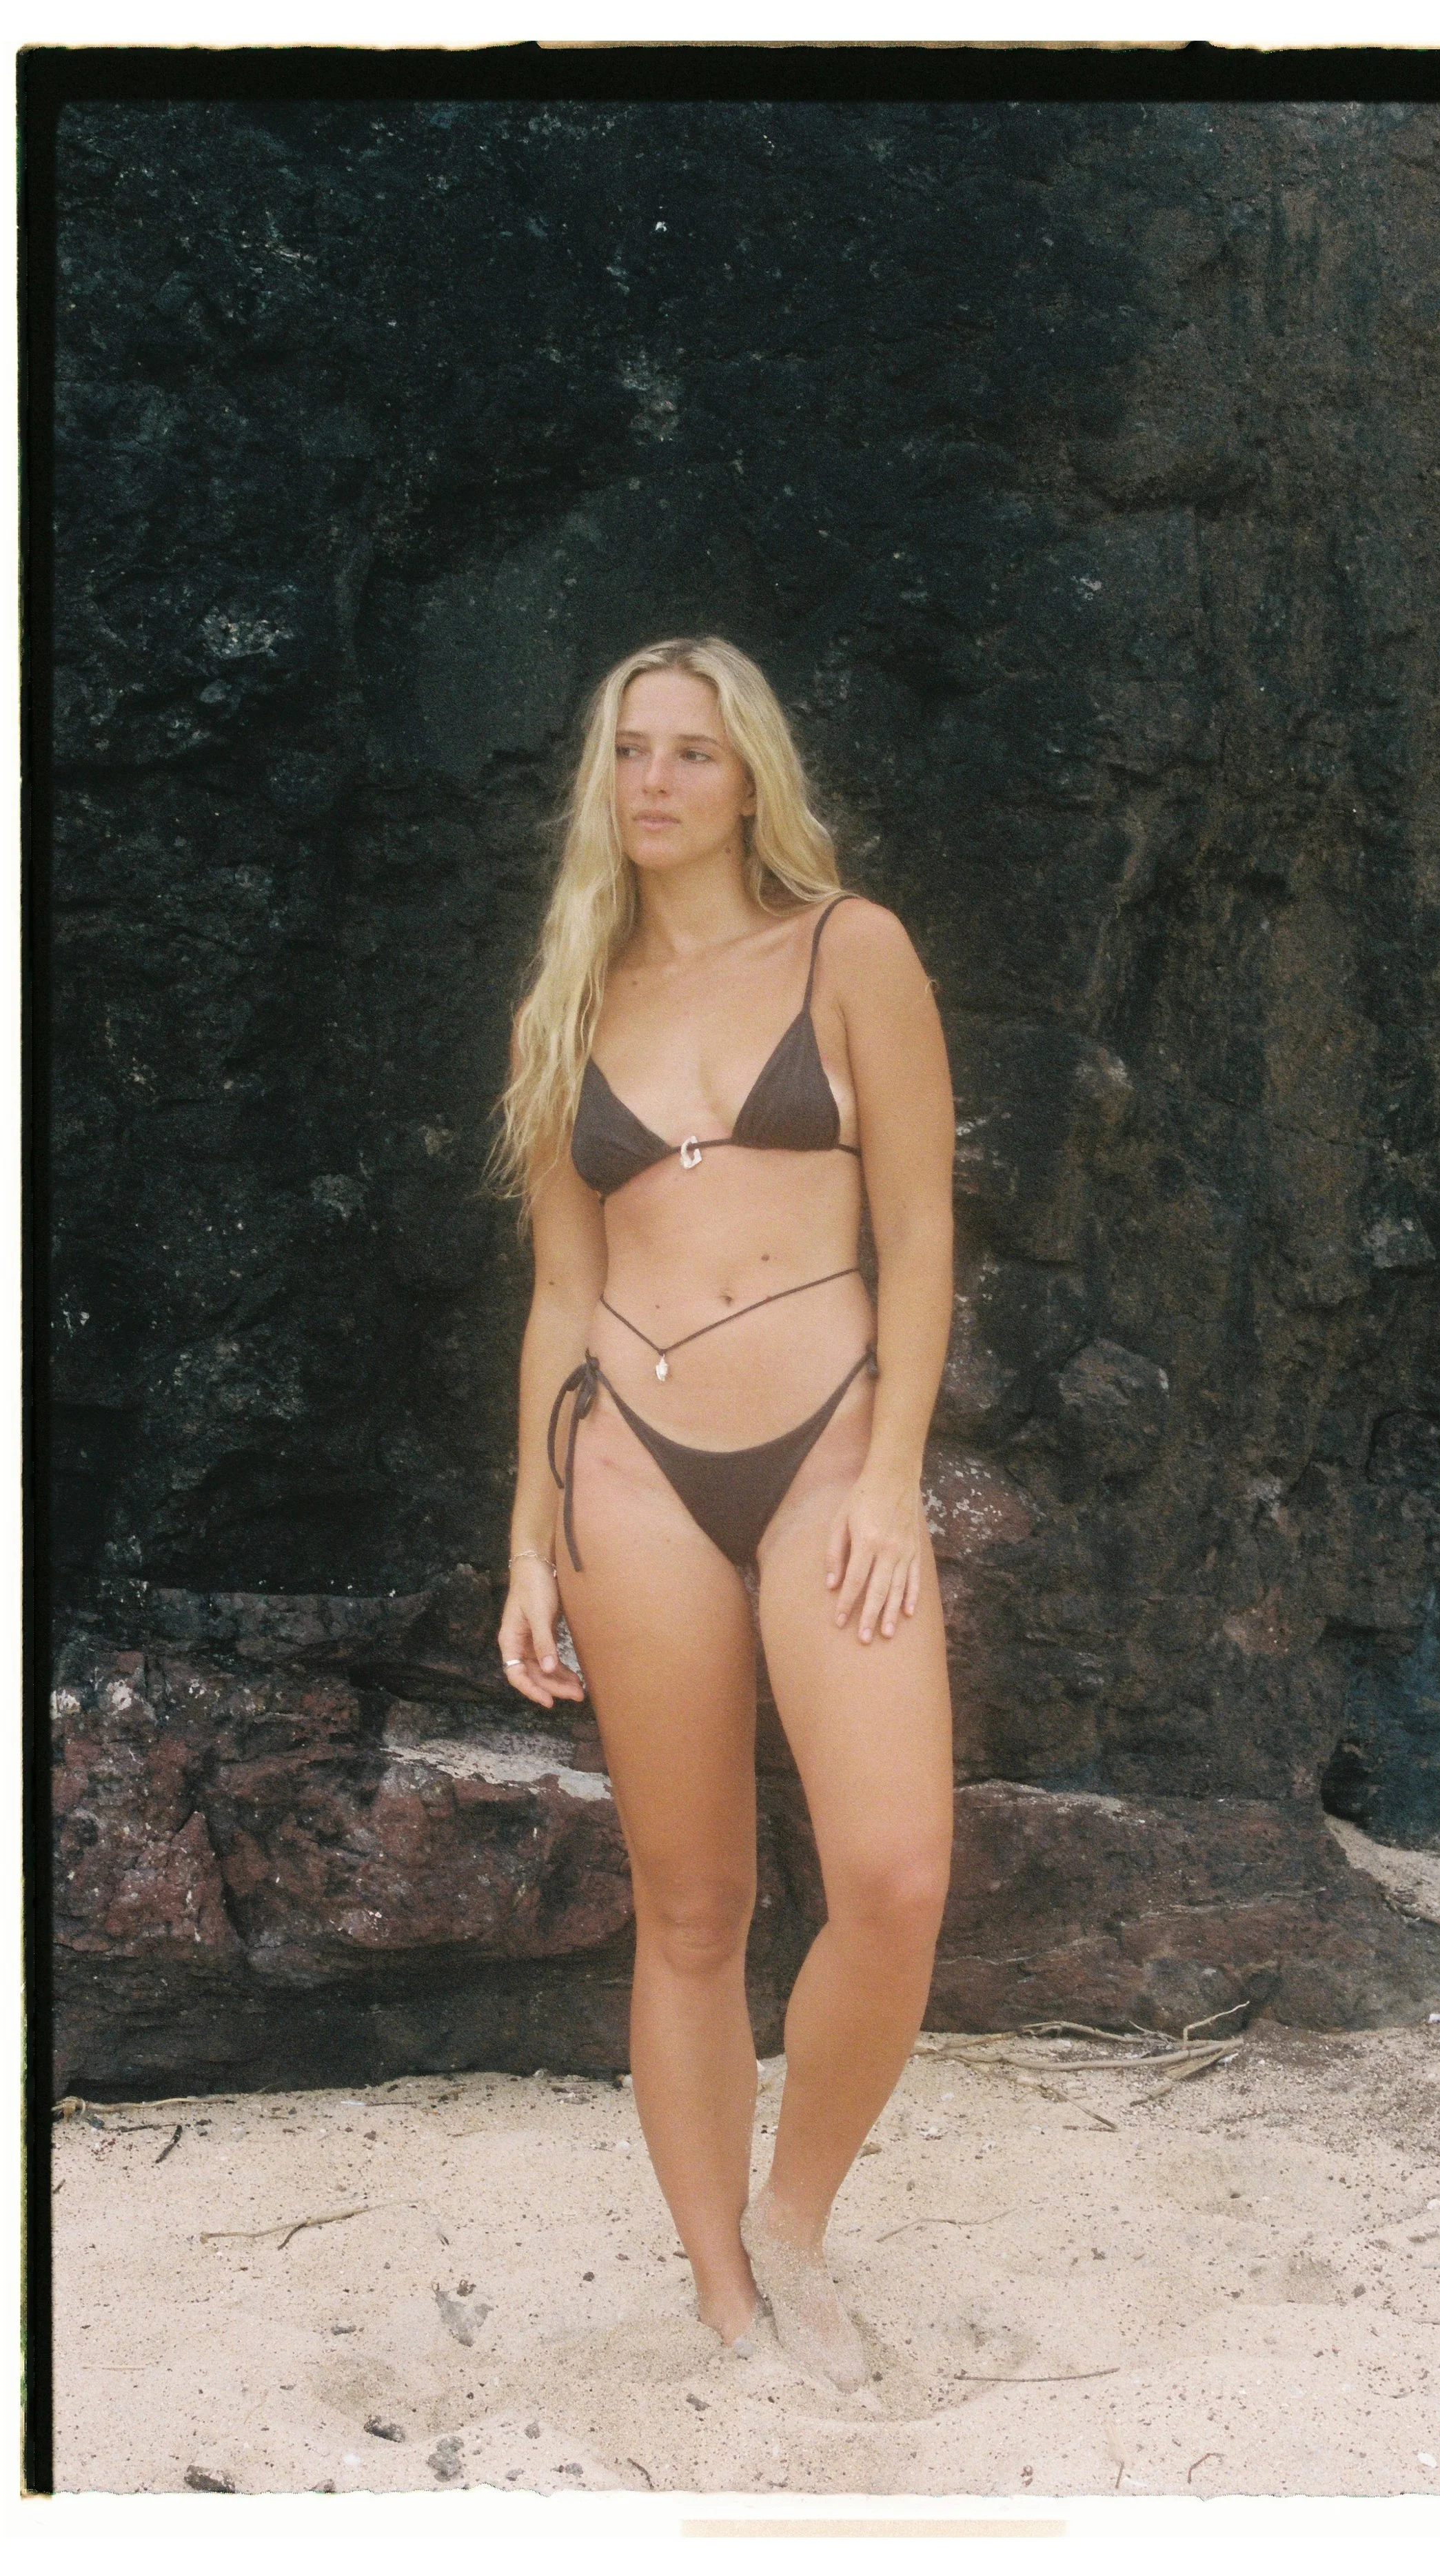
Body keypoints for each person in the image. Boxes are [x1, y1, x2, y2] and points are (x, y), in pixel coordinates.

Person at [488, 636, 955, 2392]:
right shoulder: (569, 996)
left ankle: (797, 2217)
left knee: (893, 1875)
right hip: (628, 1466)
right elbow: (556, 1288)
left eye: (694, 750)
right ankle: (717, 2285)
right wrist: (529, 1526)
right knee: (688, 1904)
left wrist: (897, 1473)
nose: (660, 781)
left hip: (830, 1443)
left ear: (751, 774)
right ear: (602, 782)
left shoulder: (849, 948)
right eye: (630, 752)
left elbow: (916, 1231)